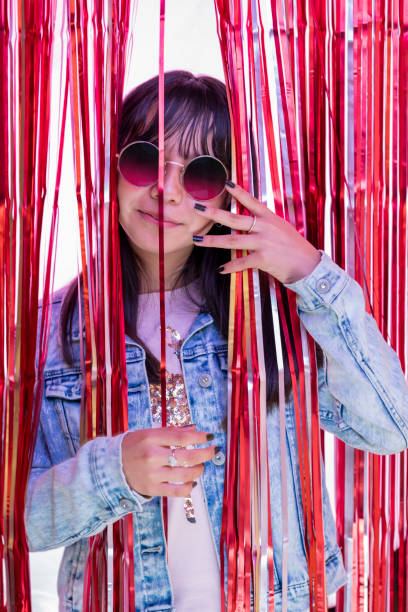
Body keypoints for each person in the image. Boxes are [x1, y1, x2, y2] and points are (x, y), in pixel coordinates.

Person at [25, 71, 408, 612]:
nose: (167, 190)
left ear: (232, 191)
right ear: (109, 167)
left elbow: (390, 427)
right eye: (144, 159)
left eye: (201, 174)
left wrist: (310, 271)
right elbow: (19, 526)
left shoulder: (275, 317)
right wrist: (114, 472)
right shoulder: (48, 332)